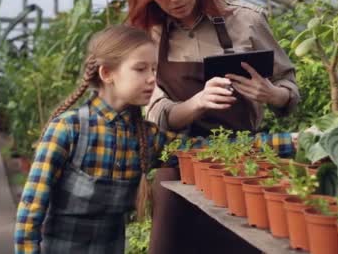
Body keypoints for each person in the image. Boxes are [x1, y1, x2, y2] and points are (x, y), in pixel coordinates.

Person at [126, 0, 300, 254]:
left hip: (243, 164)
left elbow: (290, 87)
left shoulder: (244, 22)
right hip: (177, 168)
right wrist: (195, 104)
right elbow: (153, 108)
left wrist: (272, 94)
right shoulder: (151, 34)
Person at [14, 25, 201, 254]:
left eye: (154, 69)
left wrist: (255, 143)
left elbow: (196, 151)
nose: (152, 79)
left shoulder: (146, 138)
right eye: (140, 69)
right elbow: (31, 210)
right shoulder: (68, 129)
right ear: (106, 74)